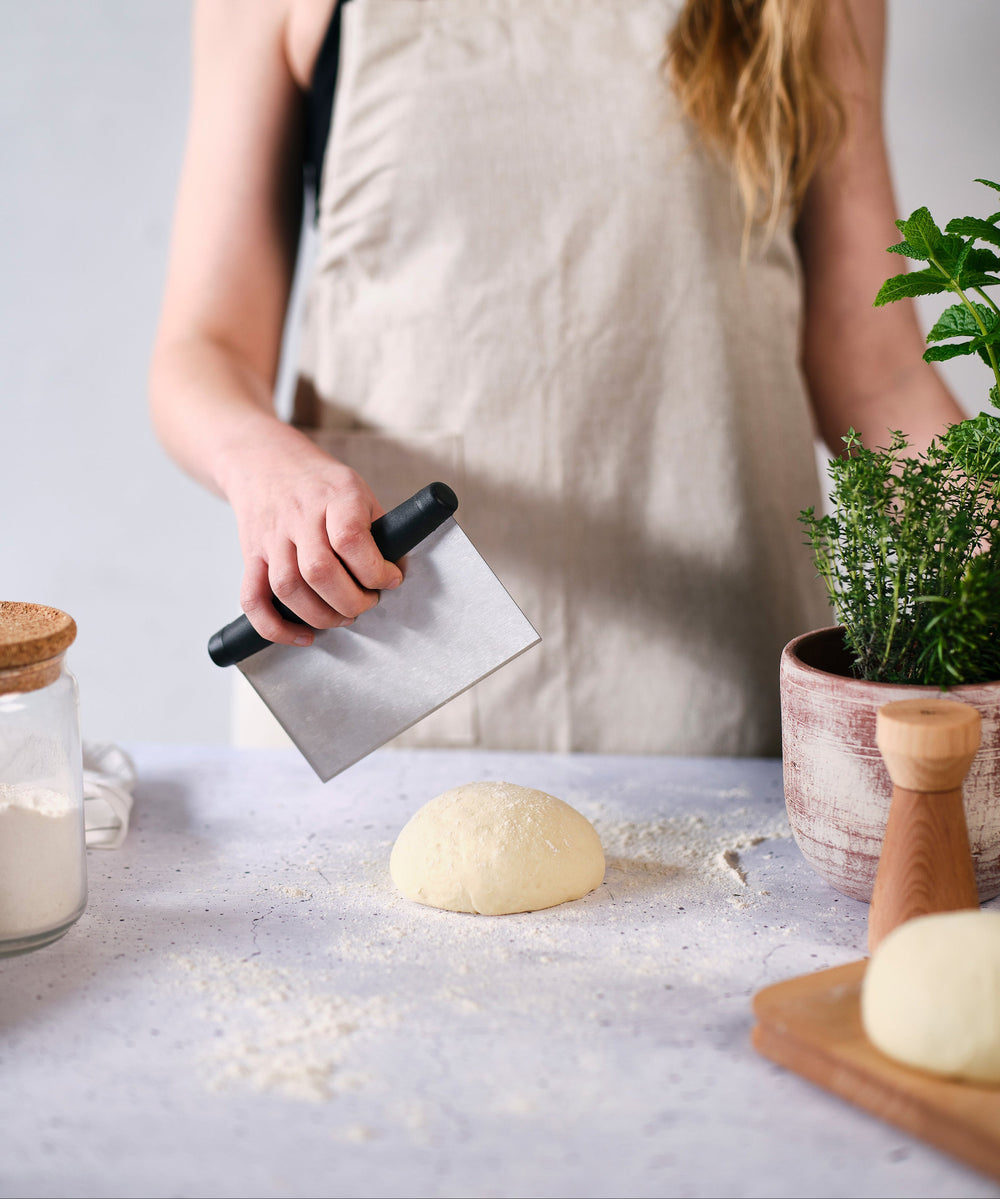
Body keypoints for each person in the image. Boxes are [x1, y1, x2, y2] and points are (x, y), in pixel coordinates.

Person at [149, 0, 964, 756]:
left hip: (714, 686)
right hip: (390, 672)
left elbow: (877, 375)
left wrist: (980, 521)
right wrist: (266, 467)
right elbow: (204, 348)